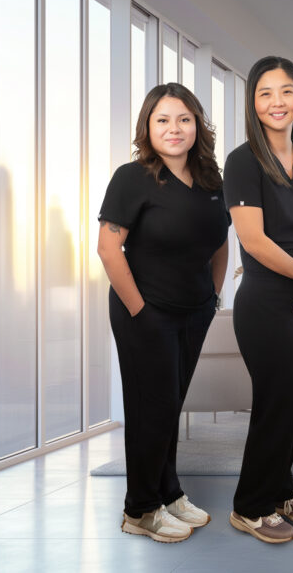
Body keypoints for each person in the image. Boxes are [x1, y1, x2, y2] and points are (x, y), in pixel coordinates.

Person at [98, 83, 229, 543]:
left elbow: (219, 243)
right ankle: (140, 510)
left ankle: (169, 493)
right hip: (145, 313)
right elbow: (108, 248)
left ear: (197, 126)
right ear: (147, 128)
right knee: (150, 409)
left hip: (194, 312)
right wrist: (141, 312)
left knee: (170, 407)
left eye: (184, 119)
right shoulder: (132, 177)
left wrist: (212, 301)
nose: (174, 129)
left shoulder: (211, 180)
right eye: (163, 120)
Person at [222, 56, 293, 544]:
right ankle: (249, 505)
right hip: (266, 300)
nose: (277, 102)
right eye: (266, 93)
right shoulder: (243, 162)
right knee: (276, 400)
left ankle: (281, 489)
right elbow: (254, 241)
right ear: (253, 102)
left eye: (287, 91)